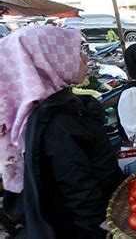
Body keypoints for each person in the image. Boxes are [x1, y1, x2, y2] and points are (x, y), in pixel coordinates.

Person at [0, 26, 123, 238]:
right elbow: (79, 192)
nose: (85, 59)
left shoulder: (53, 107)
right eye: (76, 52)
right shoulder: (56, 123)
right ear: (48, 61)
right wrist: (108, 230)